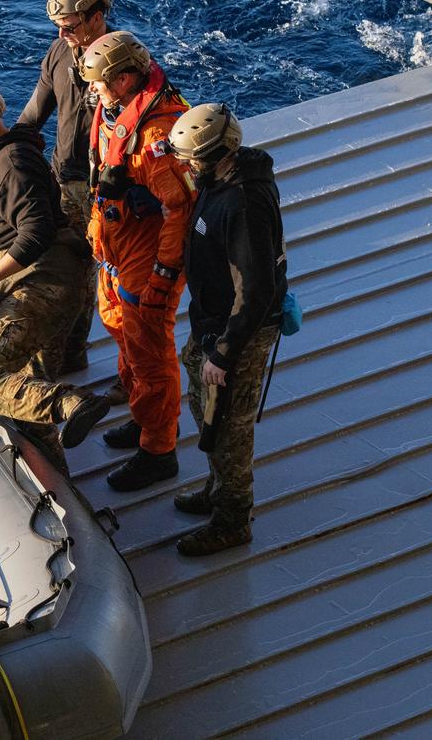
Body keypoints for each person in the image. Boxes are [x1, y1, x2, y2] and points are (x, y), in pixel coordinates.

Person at [0, 79, 108, 474]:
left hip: (42, 287)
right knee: (26, 399)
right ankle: (57, 483)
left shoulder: (9, 163)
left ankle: (71, 403)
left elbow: (36, 231)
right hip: (61, 284)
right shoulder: (12, 154)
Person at [79, 30, 196, 492]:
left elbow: (179, 211)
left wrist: (164, 275)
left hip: (146, 253)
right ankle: (145, 416)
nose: (93, 91)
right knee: (124, 335)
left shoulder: (156, 135)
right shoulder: (114, 113)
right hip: (117, 246)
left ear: (125, 80)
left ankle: (159, 449)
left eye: (100, 83)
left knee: (149, 349)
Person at [171, 103, 287, 555]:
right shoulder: (218, 181)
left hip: (234, 334)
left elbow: (255, 288)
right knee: (206, 412)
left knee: (229, 425)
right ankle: (218, 489)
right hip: (212, 324)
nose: (185, 167)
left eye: (190, 160)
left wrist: (225, 353)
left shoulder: (242, 202)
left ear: (218, 154)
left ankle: (233, 518)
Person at [16, 0, 110, 380]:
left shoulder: (122, 61)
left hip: (103, 187)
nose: (63, 33)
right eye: (58, 26)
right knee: (70, 269)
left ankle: (67, 356)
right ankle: (71, 353)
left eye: (70, 26)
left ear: (96, 17)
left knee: (95, 276)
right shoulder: (58, 53)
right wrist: (7, 151)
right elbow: (34, 115)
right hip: (63, 179)